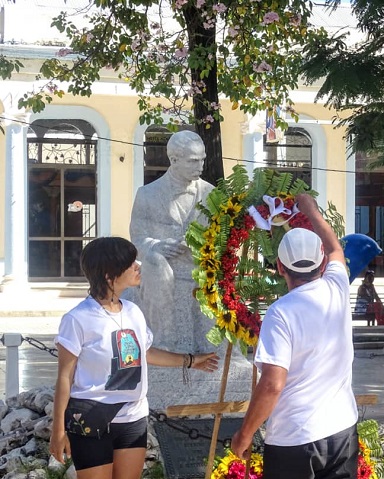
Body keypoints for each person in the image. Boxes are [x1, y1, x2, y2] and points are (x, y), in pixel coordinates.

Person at [49, 237, 219, 479]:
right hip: (91, 418)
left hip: (133, 418)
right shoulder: (77, 319)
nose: (138, 265)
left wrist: (191, 360)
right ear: (110, 274)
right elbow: (64, 377)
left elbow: (146, 353)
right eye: (130, 263)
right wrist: (57, 431)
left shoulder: (133, 312)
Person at [230, 194, 359, 479]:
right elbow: (336, 247)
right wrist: (312, 211)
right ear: (322, 264)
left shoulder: (280, 313)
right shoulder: (338, 287)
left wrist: (244, 433)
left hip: (295, 438)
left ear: (279, 267)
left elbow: (273, 384)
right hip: (342, 430)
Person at [128, 130, 215, 353]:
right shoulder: (147, 194)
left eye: (203, 159)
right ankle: (164, 341)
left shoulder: (211, 194)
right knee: (155, 263)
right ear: (174, 160)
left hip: (200, 267)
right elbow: (137, 240)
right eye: (193, 161)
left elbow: (220, 239)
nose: (200, 166)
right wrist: (156, 246)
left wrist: (202, 247)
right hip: (163, 269)